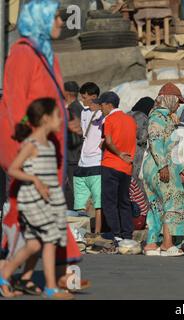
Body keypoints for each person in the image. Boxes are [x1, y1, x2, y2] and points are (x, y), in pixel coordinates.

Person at [0, 0, 87, 294]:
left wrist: (66, 122)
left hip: (50, 151)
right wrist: (30, 141)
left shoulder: (47, 55)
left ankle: (28, 278)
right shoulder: (22, 54)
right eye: (55, 17)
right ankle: (38, 277)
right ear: (39, 19)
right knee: (38, 220)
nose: (61, 22)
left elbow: (51, 103)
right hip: (31, 150)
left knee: (46, 221)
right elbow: (14, 104)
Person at [1, 98, 73, 299]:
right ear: (45, 118)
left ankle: (4, 274)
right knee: (49, 239)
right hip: (33, 199)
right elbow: (14, 169)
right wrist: (35, 180)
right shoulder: (31, 144)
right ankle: (51, 288)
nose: (61, 120)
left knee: (33, 245)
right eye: (58, 116)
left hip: (48, 200)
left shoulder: (49, 144)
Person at [142, 83, 184, 257]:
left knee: (156, 206)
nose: (178, 105)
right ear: (169, 99)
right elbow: (156, 142)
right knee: (172, 202)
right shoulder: (158, 117)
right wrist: (163, 167)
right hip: (159, 166)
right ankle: (167, 244)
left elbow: (170, 148)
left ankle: (152, 244)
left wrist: (180, 168)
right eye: (176, 102)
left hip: (159, 165)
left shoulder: (163, 117)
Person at [99, 92, 137, 246]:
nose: (101, 108)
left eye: (102, 105)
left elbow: (108, 140)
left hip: (111, 164)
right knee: (124, 201)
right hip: (126, 167)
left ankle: (116, 233)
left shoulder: (109, 119)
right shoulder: (130, 120)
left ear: (109, 104)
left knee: (109, 201)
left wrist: (119, 153)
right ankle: (127, 233)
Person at [74, 82, 105, 242]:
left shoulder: (102, 113)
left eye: (85, 97)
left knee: (98, 202)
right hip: (83, 162)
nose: (83, 100)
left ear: (93, 97)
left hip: (97, 162)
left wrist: (99, 109)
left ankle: (97, 233)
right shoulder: (84, 112)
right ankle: (80, 233)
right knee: (80, 202)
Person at [128, 97, 155, 193]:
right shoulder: (142, 117)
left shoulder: (127, 114)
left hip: (122, 155)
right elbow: (142, 137)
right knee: (136, 189)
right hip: (136, 156)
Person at [64, 81, 83, 211]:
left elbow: (74, 134)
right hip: (76, 156)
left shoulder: (72, 110)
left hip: (72, 156)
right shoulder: (79, 108)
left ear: (67, 93)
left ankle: (75, 215)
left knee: (72, 189)